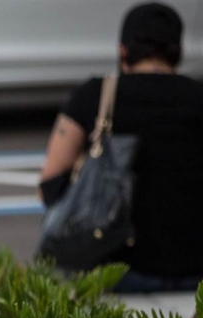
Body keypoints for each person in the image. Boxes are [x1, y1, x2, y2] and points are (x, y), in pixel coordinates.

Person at [39, 2, 203, 293]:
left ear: (123, 50)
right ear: (177, 50)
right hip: (195, 273)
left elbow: (50, 184)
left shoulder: (95, 95)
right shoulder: (197, 96)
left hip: (117, 273)